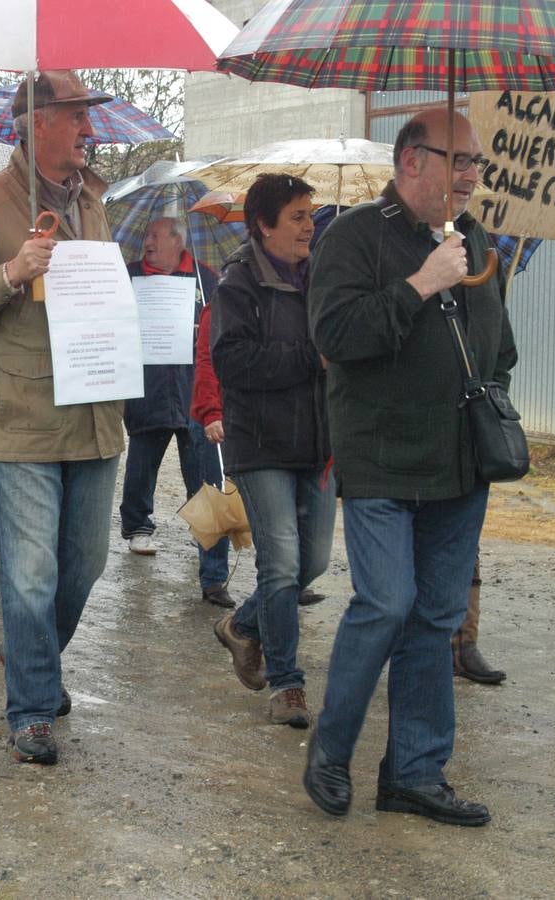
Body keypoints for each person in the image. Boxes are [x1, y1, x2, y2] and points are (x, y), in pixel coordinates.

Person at [303, 109, 515, 826]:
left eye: (474, 164)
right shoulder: (352, 237)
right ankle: (331, 751)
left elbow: (500, 348)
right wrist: (420, 283)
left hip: (459, 464)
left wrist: (495, 400)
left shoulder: (475, 241)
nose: (467, 176)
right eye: (455, 160)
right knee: (386, 604)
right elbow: (333, 335)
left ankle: (415, 774)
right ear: (409, 161)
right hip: (382, 460)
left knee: (435, 619)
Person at [0, 70, 121, 766]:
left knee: (85, 564)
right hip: (22, 413)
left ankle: (28, 657)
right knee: (32, 573)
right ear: (36, 121)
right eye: (76, 115)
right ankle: (34, 706)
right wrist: (12, 272)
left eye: (87, 116)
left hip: (96, 409)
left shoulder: (95, 203)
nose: (87, 129)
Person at [210, 174, 336, 729]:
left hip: (318, 442)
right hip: (259, 444)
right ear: (263, 225)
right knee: (281, 564)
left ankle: (242, 625)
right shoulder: (237, 283)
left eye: (311, 214)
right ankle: (287, 684)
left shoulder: (326, 279)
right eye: (297, 216)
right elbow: (232, 363)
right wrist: (312, 358)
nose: (310, 225)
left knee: (312, 562)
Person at [119, 217, 232, 606]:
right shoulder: (130, 275)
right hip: (146, 387)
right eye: (146, 235)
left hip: (191, 387)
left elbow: (220, 327)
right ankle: (137, 525)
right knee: (142, 459)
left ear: (177, 241)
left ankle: (202, 533)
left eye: (155, 236)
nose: (147, 243)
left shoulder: (205, 277)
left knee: (200, 471)